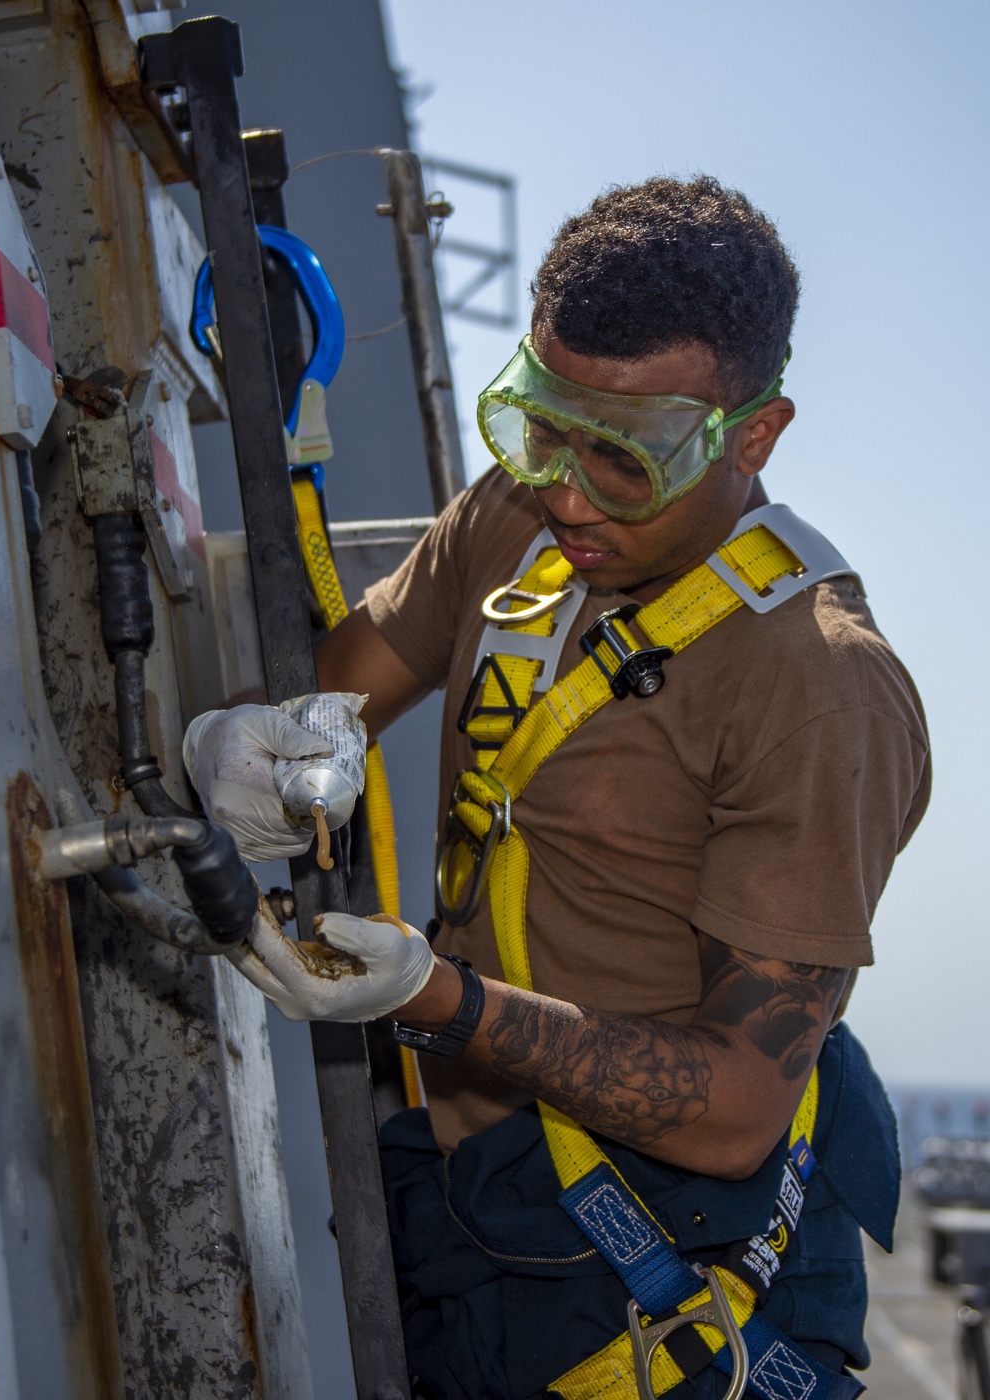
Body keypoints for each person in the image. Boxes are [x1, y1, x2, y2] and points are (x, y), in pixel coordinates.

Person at [184, 175, 931, 1400]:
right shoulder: (518, 514)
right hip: (473, 1208)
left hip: (676, 1284)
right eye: (538, 425)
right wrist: (245, 746)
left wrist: (436, 999)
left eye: (626, 460)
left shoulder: (815, 689)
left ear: (753, 435)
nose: (570, 494)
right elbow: (334, 696)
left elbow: (739, 1105)